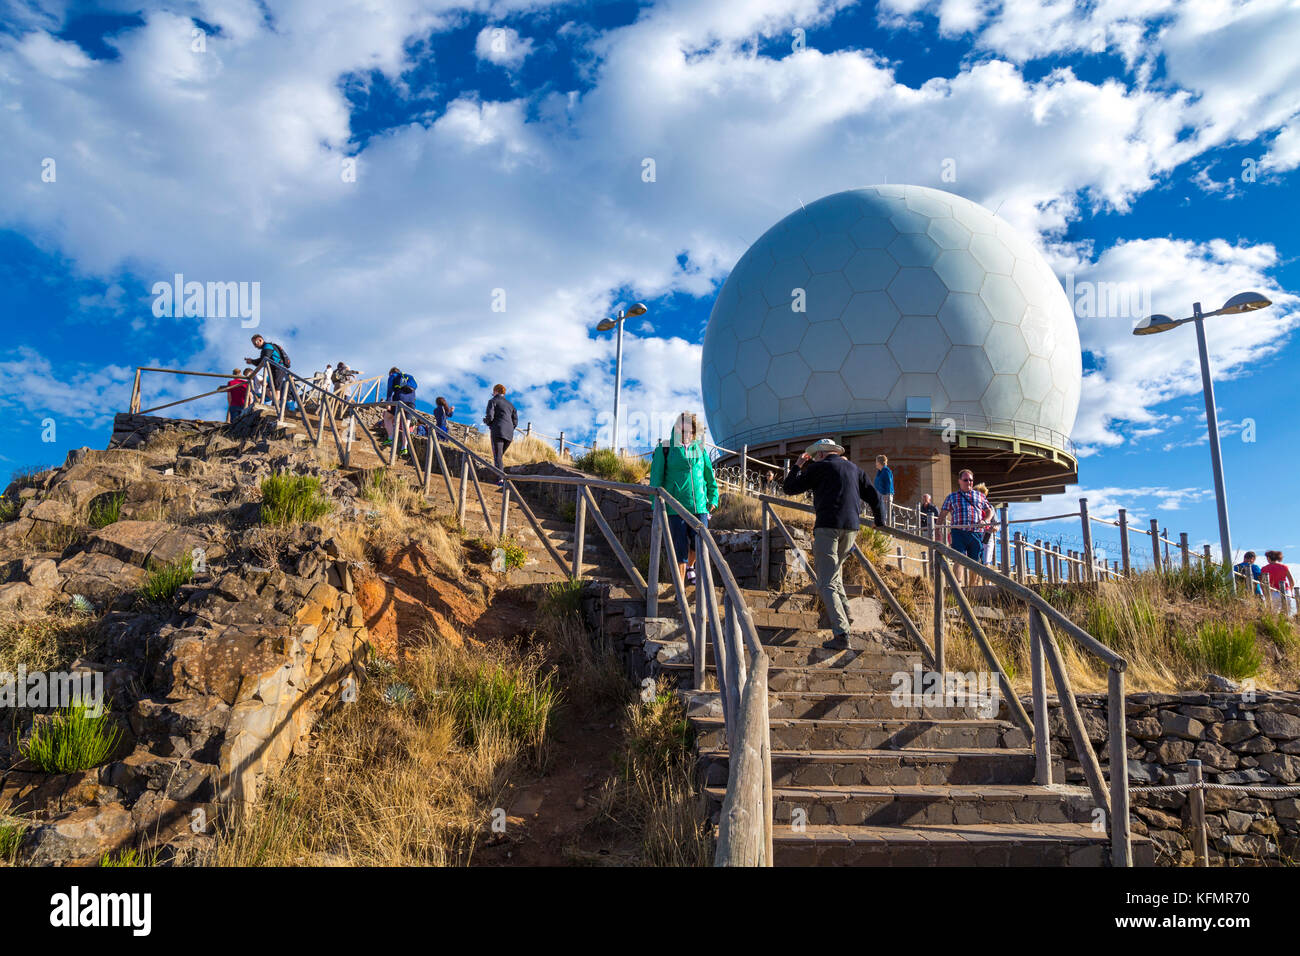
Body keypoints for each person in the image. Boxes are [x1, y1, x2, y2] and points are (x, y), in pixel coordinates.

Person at [782, 438, 883, 645]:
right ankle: (846, 613)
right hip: (852, 528)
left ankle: (841, 633)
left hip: (827, 526)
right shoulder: (854, 469)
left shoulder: (818, 468)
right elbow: (874, 496)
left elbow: (789, 488)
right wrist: (879, 521)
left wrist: (798, 465)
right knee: (834, 573)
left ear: (819, 454)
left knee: (825, 581)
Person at [649, 412, 719, 586]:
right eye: (683, 428)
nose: (686, 432)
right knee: (680, 547)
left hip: (700, 506)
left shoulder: (700, 449)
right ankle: (680, 587)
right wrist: (655, 507)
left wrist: (713, 498)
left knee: (699, 543)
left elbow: (709, 477)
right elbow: (656, 480)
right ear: (677, 428)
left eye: (690, 429)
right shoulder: (665, 449)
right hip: (675, 506)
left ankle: (691, 567)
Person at [940, 469, 992, 586]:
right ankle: (957, 587)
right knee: (959, 558)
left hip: (976, 532)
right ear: (959, 481)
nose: (969, 482)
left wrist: (985, 520)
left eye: (971, 480)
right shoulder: (952, 497)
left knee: (975, 562)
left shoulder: (980, 496)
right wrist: (937, 530)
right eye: (966, 480)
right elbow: (943, 514)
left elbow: (989, 510)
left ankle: (972, 589)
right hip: (958, 532)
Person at [244, 335, 293, 409]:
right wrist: (252, 361)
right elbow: (262, 361)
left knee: (276, 390)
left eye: (255, 343)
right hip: (275, 370)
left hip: (278, 369)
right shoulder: (267, 347)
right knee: (268, 389)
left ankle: (280, 408)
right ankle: (278, 406)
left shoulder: (267, 346)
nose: (255, 346)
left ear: (260, 340)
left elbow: (264, 359)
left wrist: (252, 361)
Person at [483, 384, 518, 484]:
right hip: (509, 434)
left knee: (497, 456)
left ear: (495, 391)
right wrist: (510, 428)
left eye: (493, 392)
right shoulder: (511, 405)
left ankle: (501, 479)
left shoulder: (493, 401)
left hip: (497, 431)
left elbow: (490, 416)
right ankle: (497, 476)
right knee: (499, 456)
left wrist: (487, 422)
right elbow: (515, 422)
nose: (492, 393)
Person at [382, 366, 418, 456]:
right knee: (406, 425)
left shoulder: (392, 376)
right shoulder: (409, 376)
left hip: (399, 400)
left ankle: (391, 438)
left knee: (387, 417)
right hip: (411, 403)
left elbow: (390, 390)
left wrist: (389, 402)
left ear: (391, 372)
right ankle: (404, 448)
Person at [975, 481, 996, 565]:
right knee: (975, 561)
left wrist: (992, 528)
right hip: (975, 536)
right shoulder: (972, 507)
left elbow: (996, 525)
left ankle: (986, 578)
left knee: (986, 562)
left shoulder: (990, 508)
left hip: (987, 537)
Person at [873, 455, 894, 527]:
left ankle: (887, 532)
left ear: (879, 462)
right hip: (880, 496)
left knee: (886, 515)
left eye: (876, 461)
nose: (875, 463)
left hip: (885, 496)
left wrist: (887, 495)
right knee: (881, 514)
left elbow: (889, 483)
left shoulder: (886, 471)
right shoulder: (879, 472)